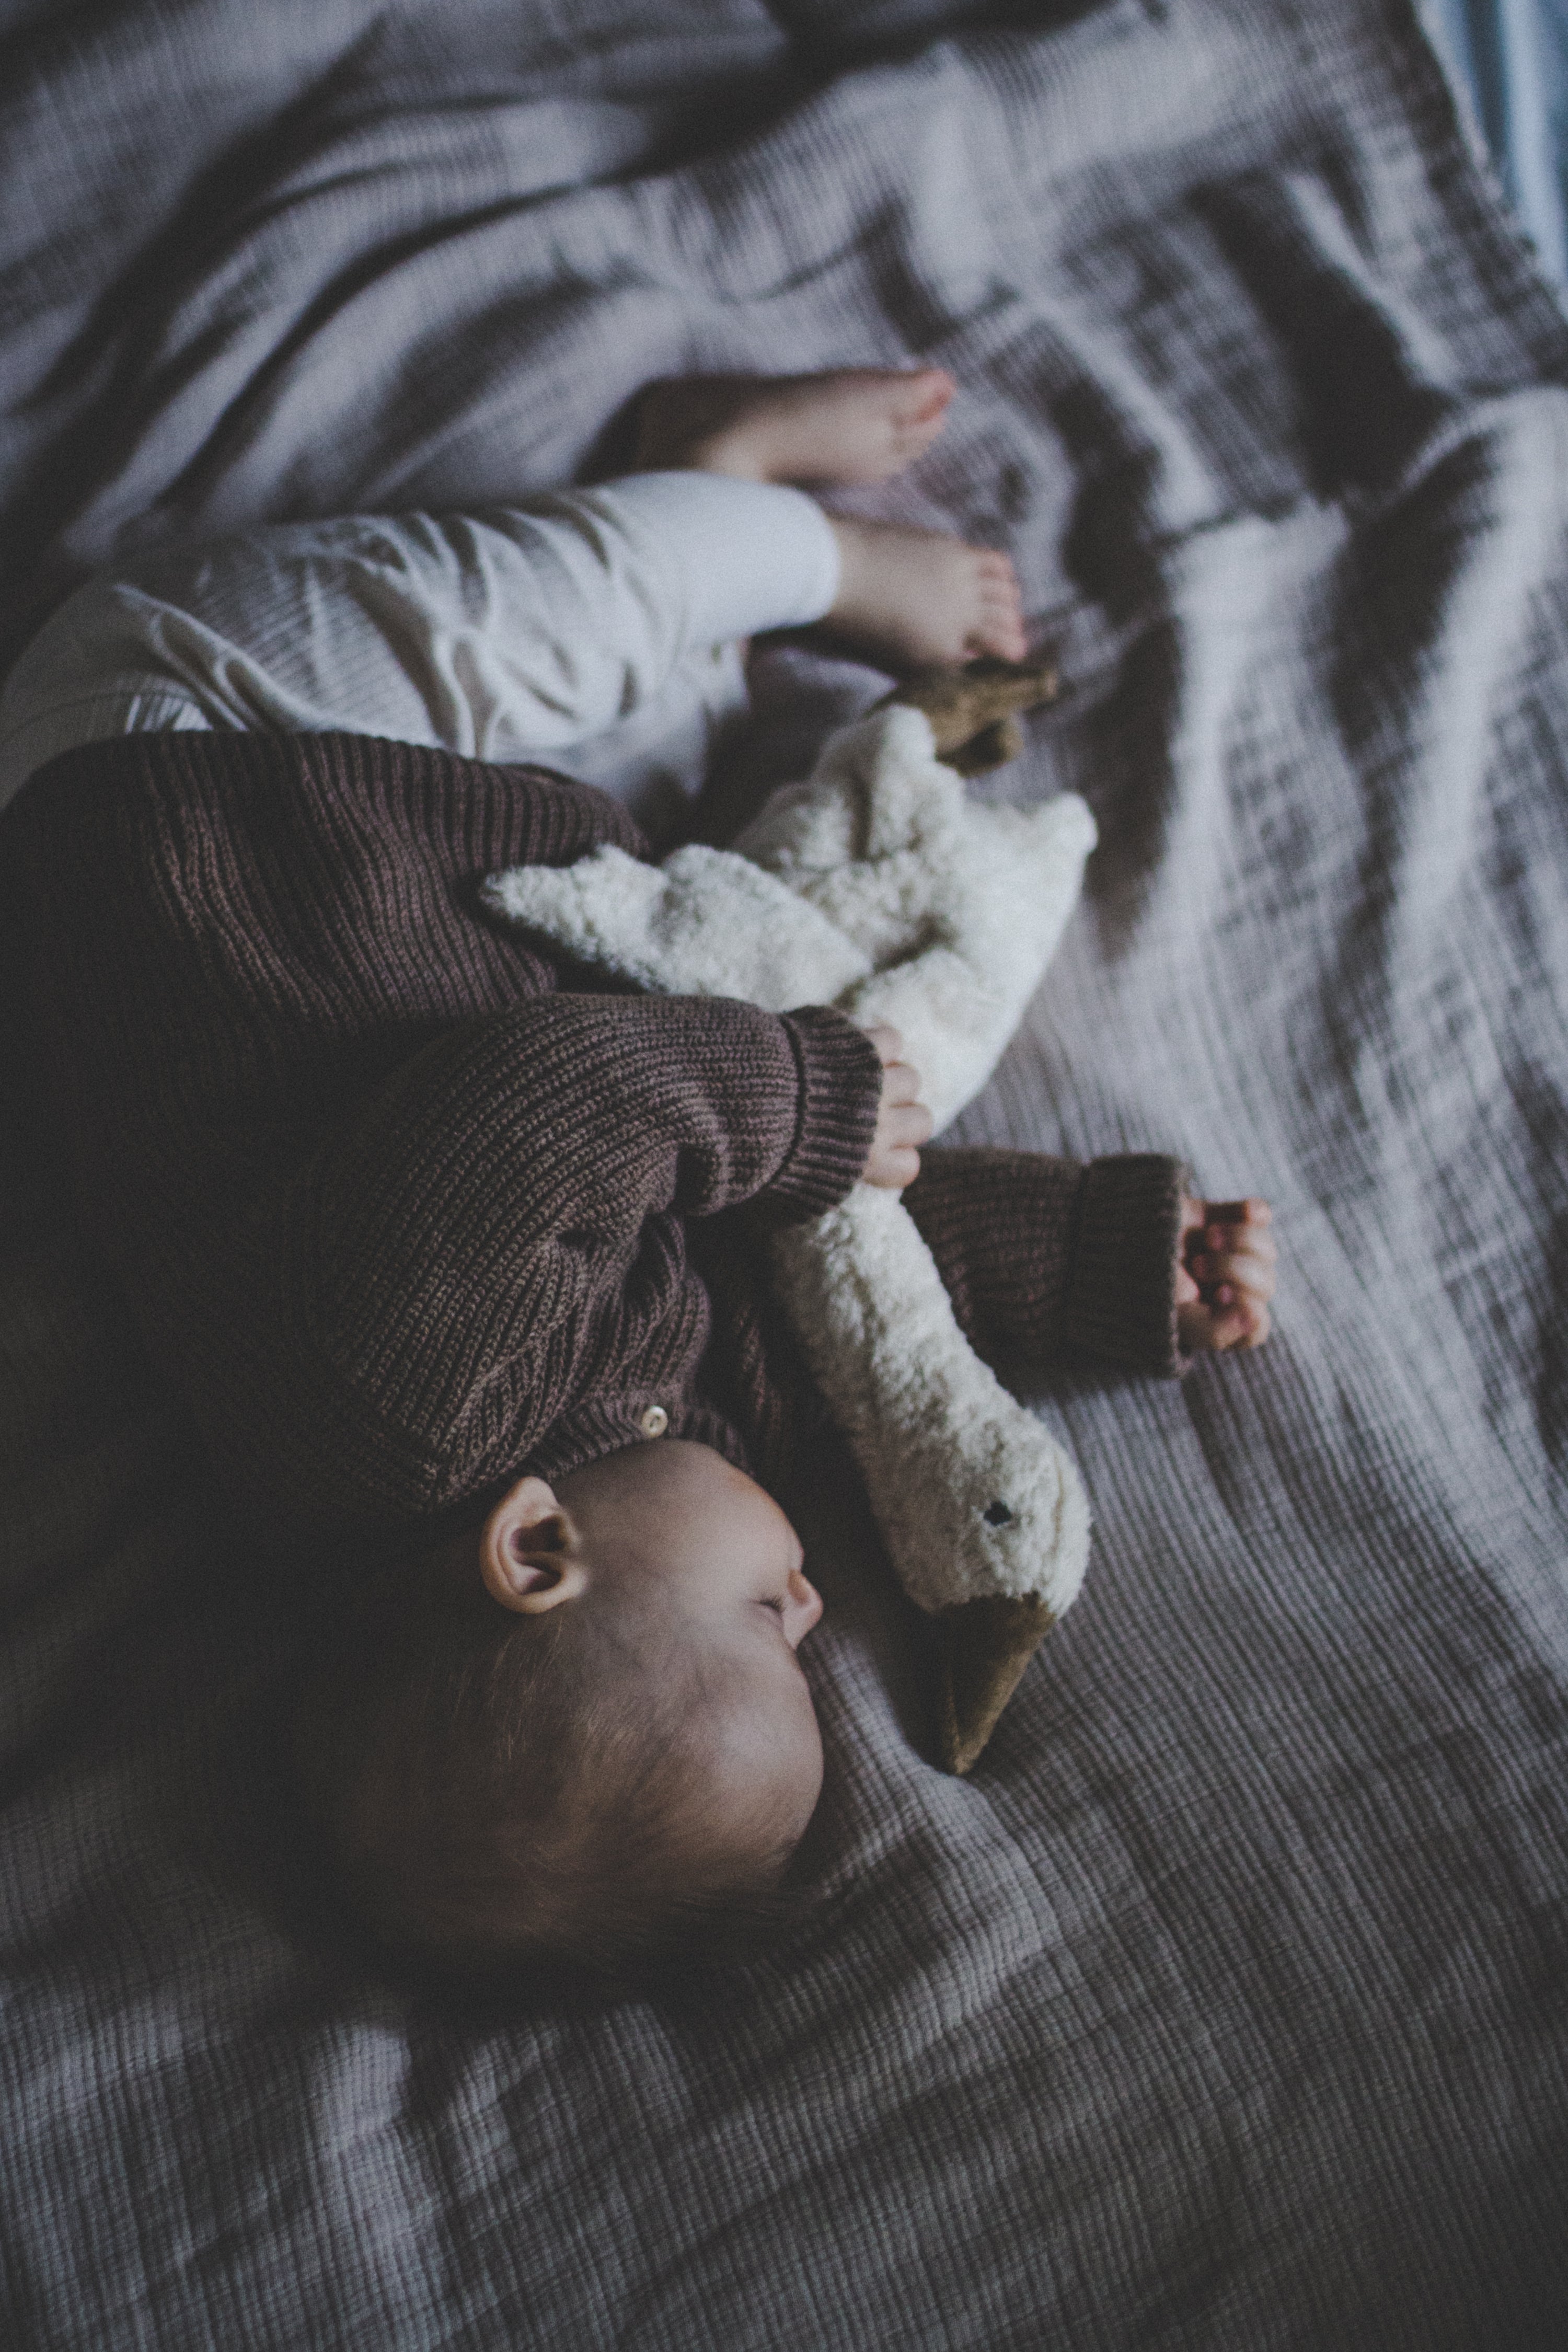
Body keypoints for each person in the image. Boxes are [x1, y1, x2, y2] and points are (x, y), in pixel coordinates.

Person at [0, 368, 1276, 1980]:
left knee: (594, 602)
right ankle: (715, 473)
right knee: (660, 783)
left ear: (537, 1554)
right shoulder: (661, 1436)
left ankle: (807, 553)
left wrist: (800, 1091)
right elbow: (833, 1277)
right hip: (481, 877)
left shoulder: (385, 1400)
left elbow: (553, 1102)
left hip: (207, 769)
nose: (820, 1615)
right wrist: (1101, 1260)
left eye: (768, 1634)